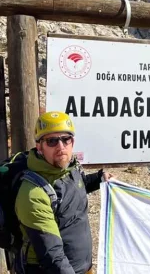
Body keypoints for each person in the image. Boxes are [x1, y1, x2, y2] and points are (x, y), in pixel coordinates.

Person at [14, 111, 113, 274]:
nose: (60, 147)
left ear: (72, 142)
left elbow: (70, 191)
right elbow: (52, 256)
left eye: (65, 139)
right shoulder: (33, 193)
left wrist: (98, 179)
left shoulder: (68, 170)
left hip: (82, 267)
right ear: (39, 146)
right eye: (52, 141)